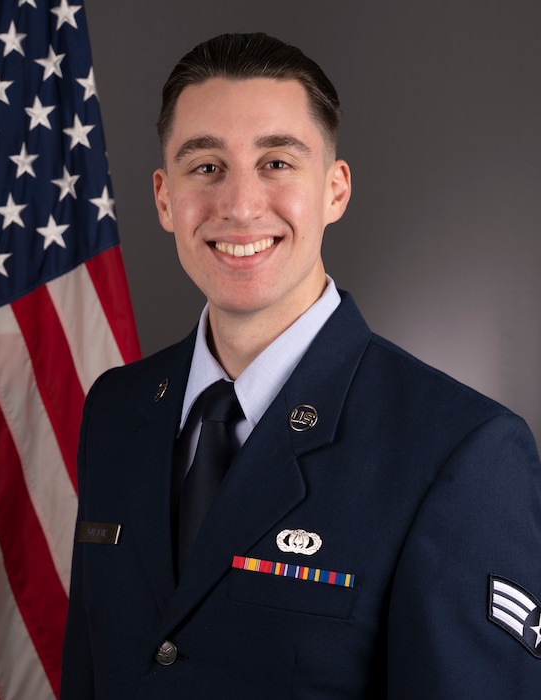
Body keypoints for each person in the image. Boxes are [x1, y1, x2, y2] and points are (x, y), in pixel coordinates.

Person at [60, 33, 541, 698]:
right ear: (164, 198)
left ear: (334, 190)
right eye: (206, 167)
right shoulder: (116, 409)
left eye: (277, 163)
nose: (240, 206)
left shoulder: (458, 451)